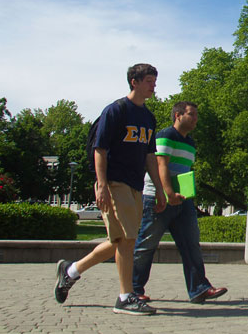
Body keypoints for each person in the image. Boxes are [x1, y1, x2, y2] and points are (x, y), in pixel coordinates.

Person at [54, 64, 166, 315]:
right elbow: (100, 150)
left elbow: (150, 157)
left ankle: (71, 271)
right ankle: (125, 297)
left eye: (154, 80)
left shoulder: (148, 117)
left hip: (136, 185)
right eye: (149, 80)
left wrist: (159, 189)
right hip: (115, 182)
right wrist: (102, 184)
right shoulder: (116, 111)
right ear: (134, 82)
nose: (153, 85)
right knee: (127, 240)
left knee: (119, 240)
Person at [131, 101, 228, 303]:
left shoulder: (190, 143)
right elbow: (161, 165)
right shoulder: (165, 135)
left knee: (191, 245)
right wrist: (168, 194)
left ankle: (199, 288)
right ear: (177, 115)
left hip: (183, 201)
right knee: (147, 245)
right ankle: (133, 288)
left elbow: (183, 171)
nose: (195, 119)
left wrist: (183, 194)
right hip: (158, 198)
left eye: (196, 115)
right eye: (191, 114)